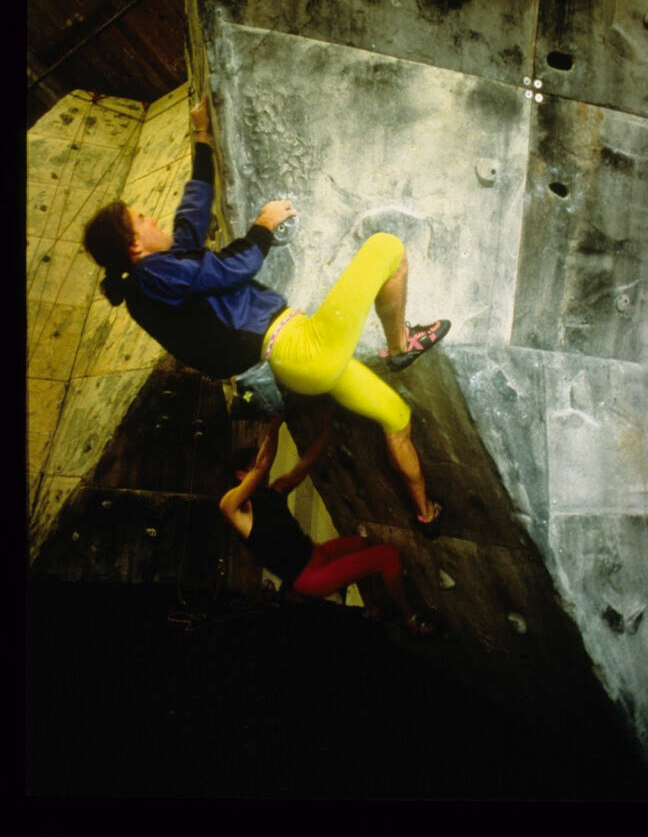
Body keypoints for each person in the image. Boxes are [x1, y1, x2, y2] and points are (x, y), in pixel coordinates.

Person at [83, 94, 450, 537]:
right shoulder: (152, 278)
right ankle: (400, 346)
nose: (153, 218)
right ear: (134, 246)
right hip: (300, 346)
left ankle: (426, 513)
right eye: (141, 218)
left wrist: (202, 135)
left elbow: (190, 217)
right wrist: (264, 224)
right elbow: (232, 268)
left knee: (396, 416)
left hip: (299, 365)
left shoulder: (154, 280)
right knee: (387, 247)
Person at [220, 416, 435, 636]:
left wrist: (327, 429)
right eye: (252, 468)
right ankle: (411, 618)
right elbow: (262, 464)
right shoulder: (231, 506)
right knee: (388, 556)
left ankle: (372, 609)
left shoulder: (274, 491)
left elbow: (306, 463)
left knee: (363, 544)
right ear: (240, 475)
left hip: (317, 555)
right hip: (310, 577)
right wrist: (274, 425)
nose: (260, 470)